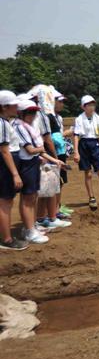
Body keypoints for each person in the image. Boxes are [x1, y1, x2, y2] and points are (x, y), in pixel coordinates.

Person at [14, 99, 67, 244]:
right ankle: (29, 230)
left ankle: (31, 226)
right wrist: (41, 150)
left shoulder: (28, 126)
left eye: (34, 113)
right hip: (26, 164)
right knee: (27, 198)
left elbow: (38, 152)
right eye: (29, 113)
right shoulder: (19, 127)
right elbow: (31, 150)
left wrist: (55, 160)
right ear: (21, 113)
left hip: (33, 162)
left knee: (32, 197)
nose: (33, 116)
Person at [73, 95, 99, 210]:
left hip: (95, 145)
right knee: (88, 173)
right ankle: (91, 197)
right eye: (89, 105)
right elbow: (76, 135)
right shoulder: (79, 119)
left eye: (93, 104)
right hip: (84, 145)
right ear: (83, 107)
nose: (91, 107)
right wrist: (76, 152)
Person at [0, 91, 27, 250]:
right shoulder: (3, 124)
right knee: (5, 202)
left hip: (6, 165)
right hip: (5, 167)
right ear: (4, 107)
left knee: (5, 202)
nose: (17, 107)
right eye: (14, 105)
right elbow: (4, 150)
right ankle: (7, 240)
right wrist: (15, 174)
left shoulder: (5, 122)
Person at [49, 93, 73, 220]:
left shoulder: (59, 117)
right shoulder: (49, 117)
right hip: (54, 154)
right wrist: (66, 133)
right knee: (55, 182)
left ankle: (57, 206)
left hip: (61, 152)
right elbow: (50, 137)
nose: (62, 104)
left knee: (61, 181)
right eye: (60, 101)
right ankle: (54, 211)